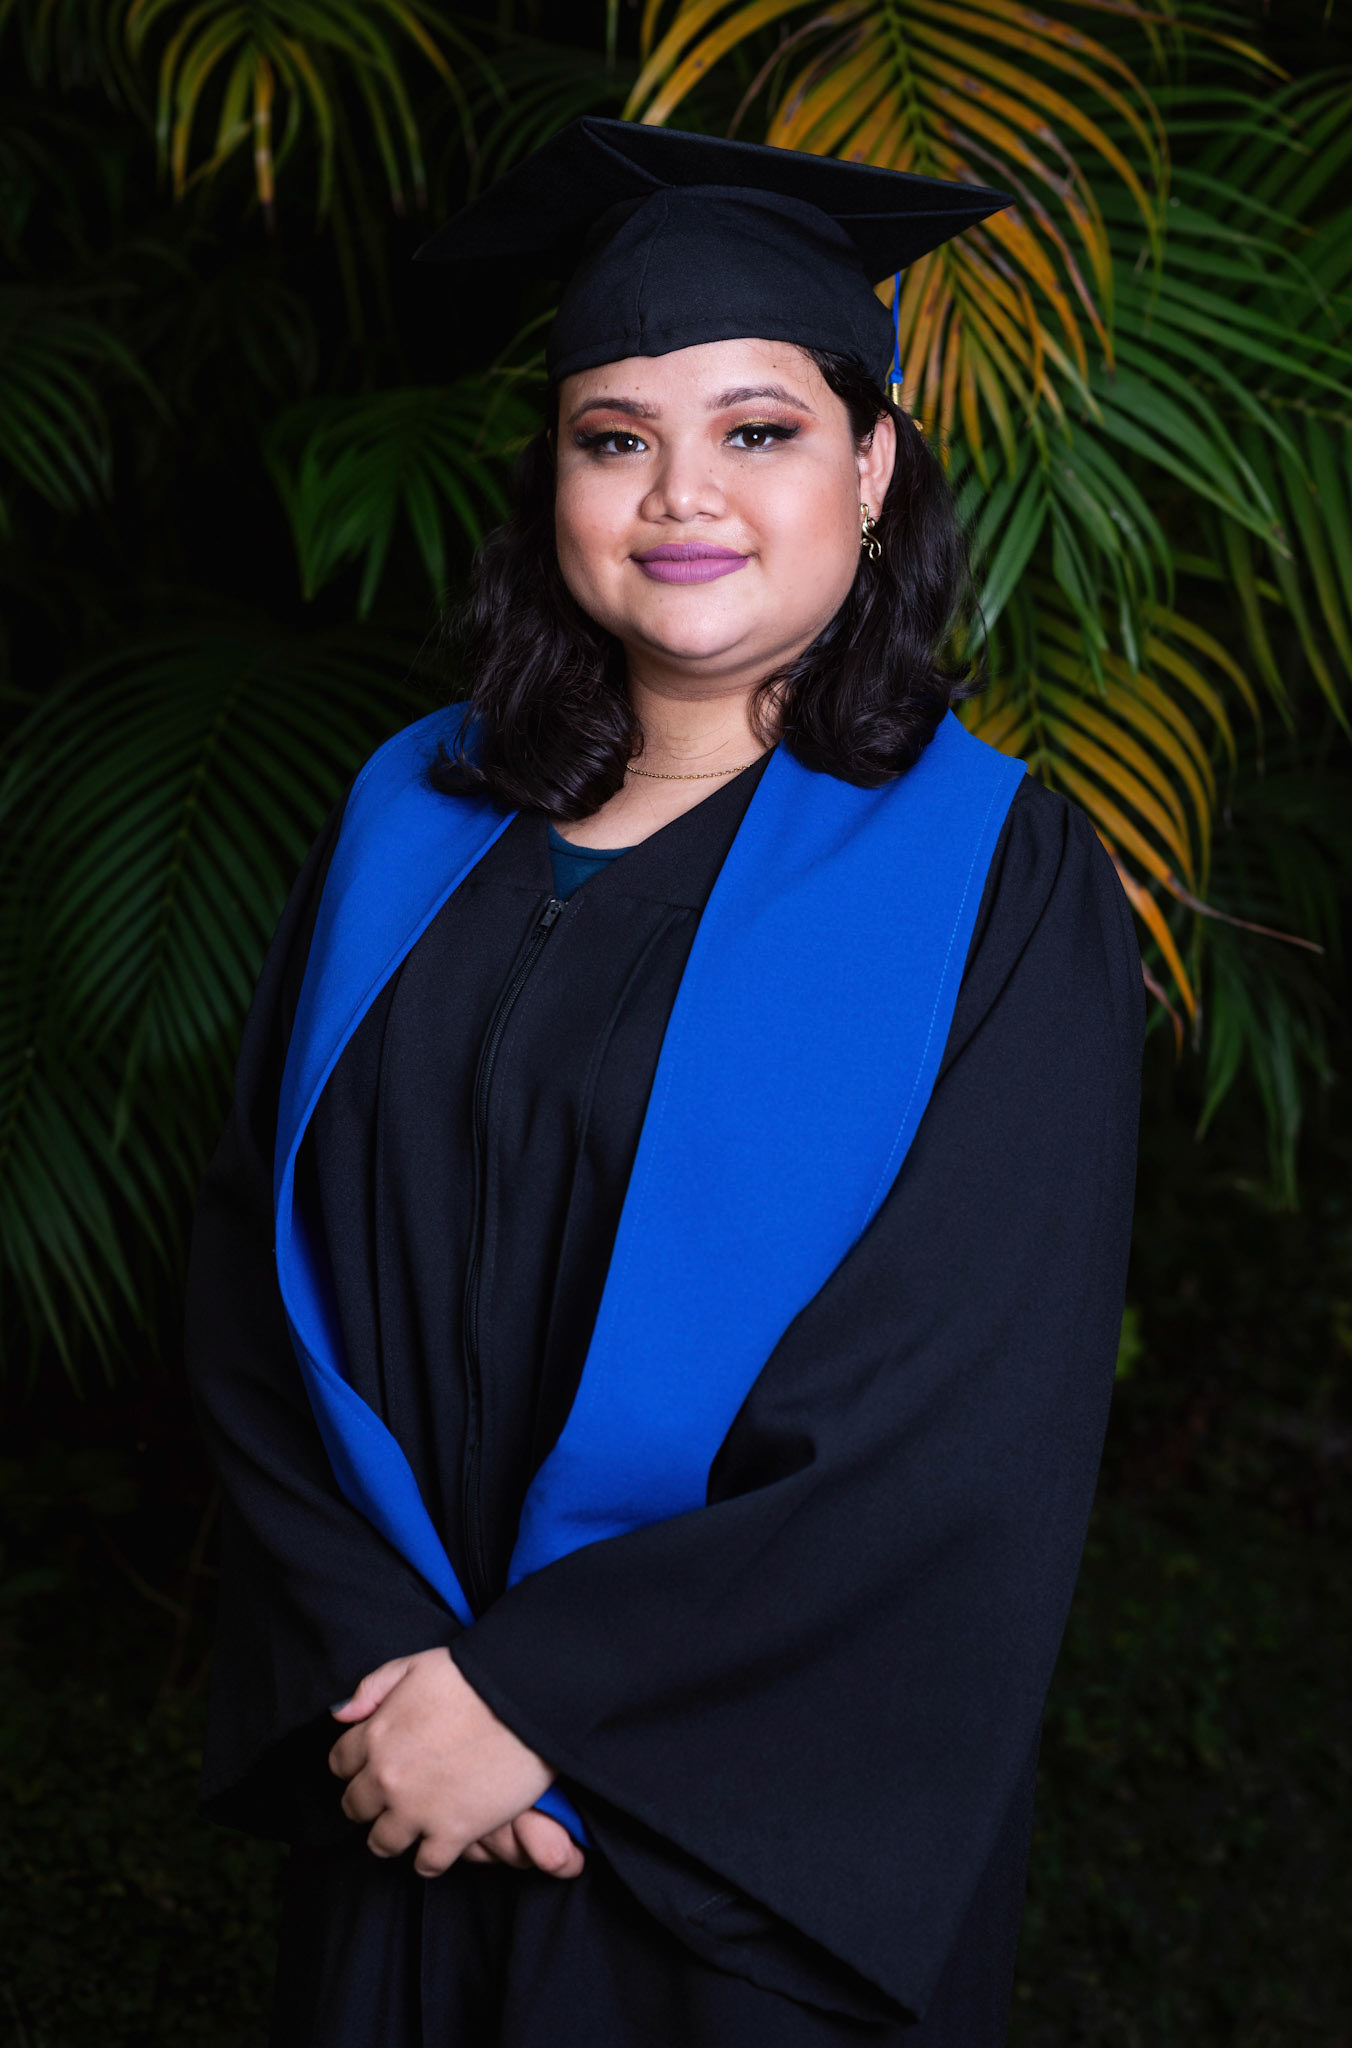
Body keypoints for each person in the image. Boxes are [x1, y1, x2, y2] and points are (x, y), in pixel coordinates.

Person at [185, 116, 1145, 2048]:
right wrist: (396, 1676)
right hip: (403, 1781)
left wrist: (536, 1701)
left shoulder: (992, 877)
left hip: (728, 1865)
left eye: (758, 430)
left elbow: (956, 1414)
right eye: (614, 437)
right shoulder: (408, 817)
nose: (679, 494)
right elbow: (252, 1287)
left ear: (872, 465)